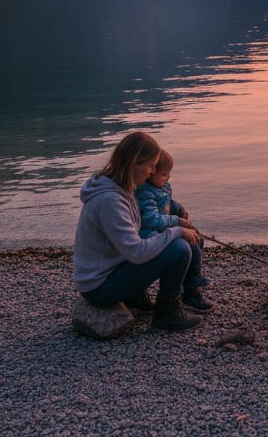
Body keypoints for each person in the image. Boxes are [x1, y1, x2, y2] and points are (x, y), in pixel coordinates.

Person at [73, 131, 203, 331]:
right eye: (151, 166)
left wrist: (174, 211)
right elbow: (137, 252)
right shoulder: (111, 201)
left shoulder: (122, 184)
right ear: (134, 163)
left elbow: (145, 216)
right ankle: (167, 314)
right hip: (99, 287)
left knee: (174, 243)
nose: (153, 171)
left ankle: (135, 296)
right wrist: (176, 231)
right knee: (180, 249)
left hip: (111, 268)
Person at [135, 148, 213, 313]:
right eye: (164, 174)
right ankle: (190, 292)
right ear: (150, 173)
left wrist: (177, 208)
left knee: (198, 241)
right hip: (151, 234)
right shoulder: (145, 193)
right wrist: (176, 221)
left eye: (168, 174)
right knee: (191, 246)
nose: (167, 177)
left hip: (163, 228)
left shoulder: (159, 186)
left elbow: (166, 200)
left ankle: (190, 282)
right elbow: (151, 219)